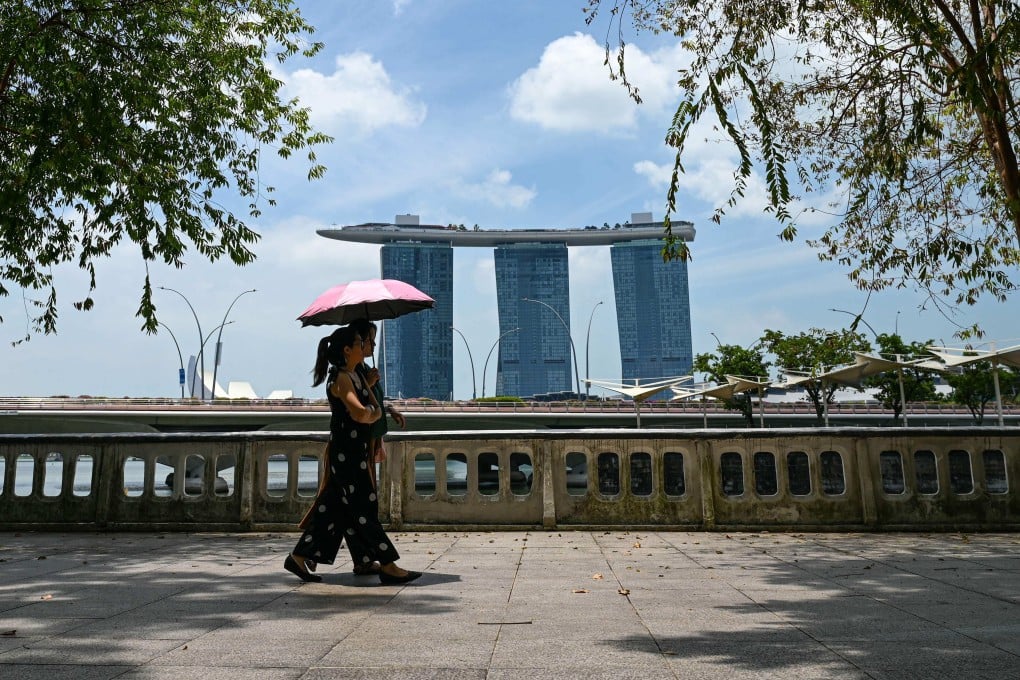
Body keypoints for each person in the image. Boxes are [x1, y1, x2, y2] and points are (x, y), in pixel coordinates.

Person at [284, 325, 421, 585]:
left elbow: (371, 407)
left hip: (353, 452)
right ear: (347, 349)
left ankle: (300, 557)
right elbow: (359, 412)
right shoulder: (341, 378)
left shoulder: (354, 374)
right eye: (361, 341)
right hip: (346, 454)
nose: (366, 345)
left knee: (333, 509)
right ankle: (388, 565)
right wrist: (373, 411)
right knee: (363, 508)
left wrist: (373, 396)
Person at [346, 319, 406, 575]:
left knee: (353, 507)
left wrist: (388, 408)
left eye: (371, 339)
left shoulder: (364, 369)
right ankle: (383, 561)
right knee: (357, 506)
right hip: (357, 445)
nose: (370, 344)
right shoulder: (350, 372)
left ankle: (362, 557)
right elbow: (356, 407)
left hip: (368, 442)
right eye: (367, 339)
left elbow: (374, 402)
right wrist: (368, 385)